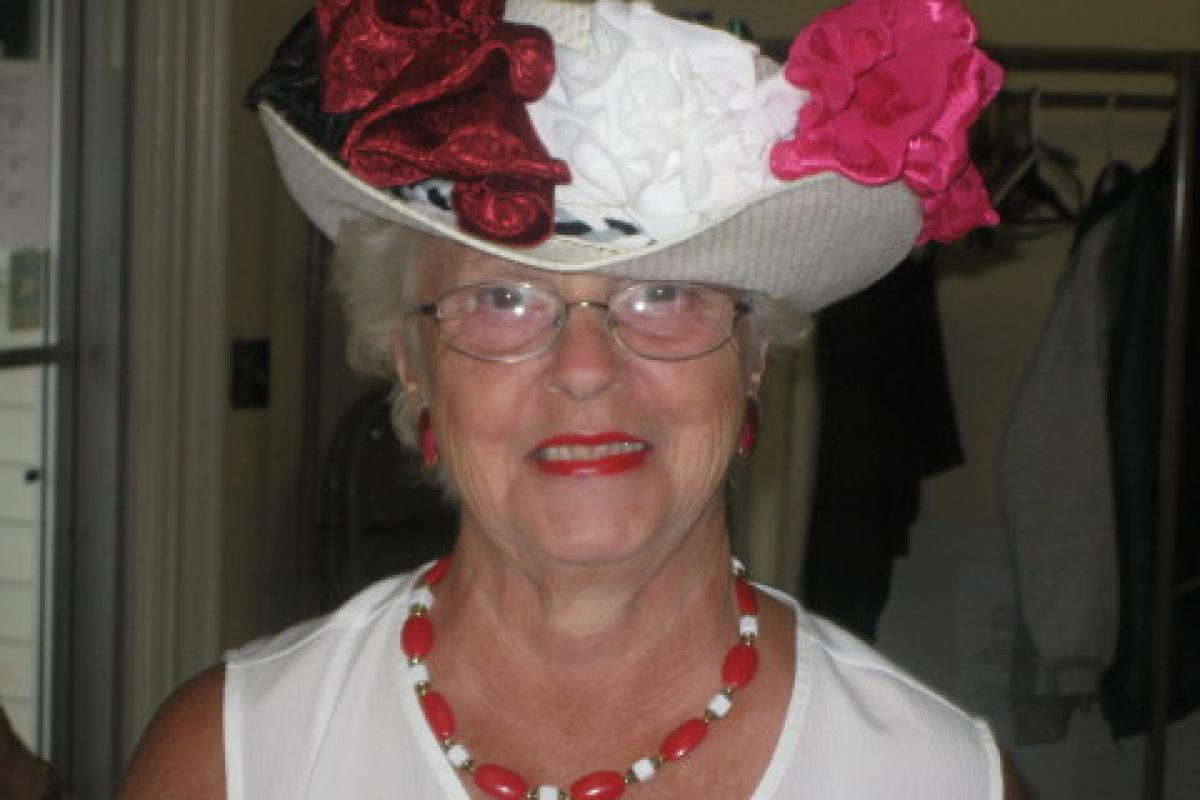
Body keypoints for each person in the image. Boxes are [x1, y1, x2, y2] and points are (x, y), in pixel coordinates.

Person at [120, 0, 1022, 797]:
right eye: (504, 299)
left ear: (753, 354)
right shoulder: (231, 760)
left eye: (662, 294)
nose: (586, 367)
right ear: (412, 360)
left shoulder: (939, 777)